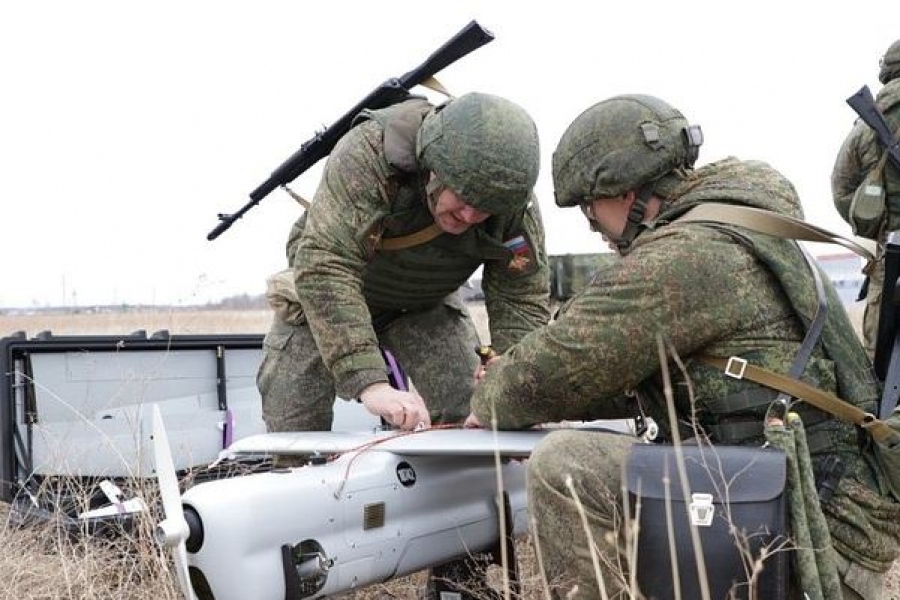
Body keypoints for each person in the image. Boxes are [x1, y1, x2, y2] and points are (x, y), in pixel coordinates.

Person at [466, 94, 900, 599]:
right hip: (816, 511)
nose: (593, 226)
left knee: (568, 465)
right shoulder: (742, 228)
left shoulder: (687, 255)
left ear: (625, 193)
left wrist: (495, 393)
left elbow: (553, 369)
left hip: (810, 539)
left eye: (590, 208)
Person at [257, 91, 550, 433]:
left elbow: (520, 296)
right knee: (291, 422)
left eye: (484, 206)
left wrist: (512, 386)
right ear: (433, 168)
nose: (470, 215)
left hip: (423, 301)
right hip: (323, 302)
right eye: (463, 196)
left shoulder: (511, 200)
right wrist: (370, 383)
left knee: (473, 413)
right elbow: (326, 264)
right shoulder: (369, 153)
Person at [832, 39, 900, 358]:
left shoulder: (869, 124)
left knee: (883, 369)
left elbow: (842, 190)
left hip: (893, 258)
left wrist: (882, 226)